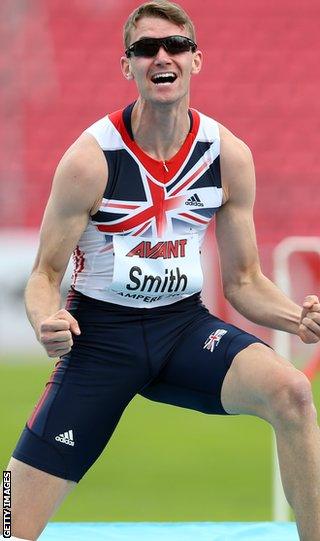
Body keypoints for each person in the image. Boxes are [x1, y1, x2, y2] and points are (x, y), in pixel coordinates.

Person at [1, 1, 320, 540]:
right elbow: (43, 274)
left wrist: (296, 318)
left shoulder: (227, 154)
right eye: (145, 48)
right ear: (127, 66)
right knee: (9, 524)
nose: (161, 57)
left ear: (197, 60)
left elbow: (243, 282)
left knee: (292, 392)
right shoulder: (90, 159)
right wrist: (43, 320)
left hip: (183, 331)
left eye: (174, 46)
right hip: (100, 341)